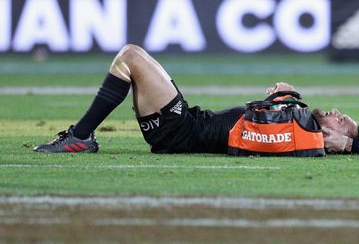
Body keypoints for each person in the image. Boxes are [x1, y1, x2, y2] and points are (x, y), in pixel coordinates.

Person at [33, 44, 295, 154]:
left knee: (130, 58)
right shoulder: (298, 126)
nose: (335, 114)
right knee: (131, 54)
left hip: (181, 131)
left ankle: (80, 137)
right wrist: (282, 99)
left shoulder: (303, 134)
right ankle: (82, 136)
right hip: (189, 121)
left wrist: (282, 97)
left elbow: (271, 133)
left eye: (337, 119)